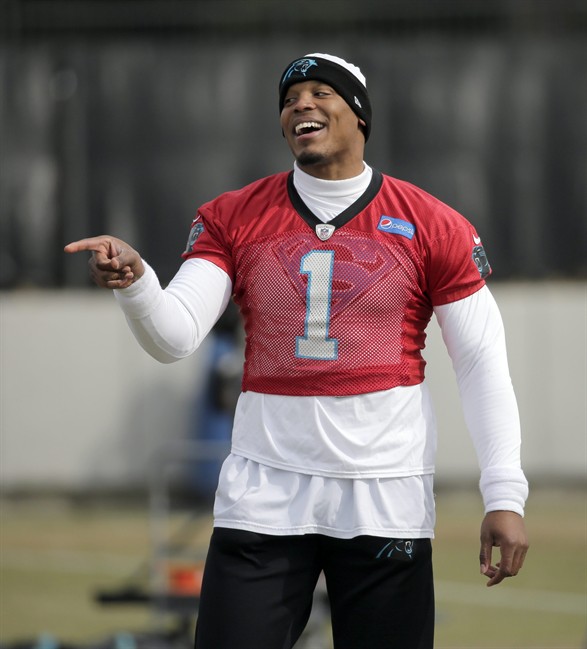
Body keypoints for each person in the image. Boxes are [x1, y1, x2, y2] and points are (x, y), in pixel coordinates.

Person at [65, 53, 529, 649]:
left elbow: (482, 364)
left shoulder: (431, 223)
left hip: (382, 491)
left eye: (319, 92)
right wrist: (137, 283)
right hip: (265, 491)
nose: (301, 105)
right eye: (289, 99)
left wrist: (505, 496)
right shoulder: (233, 216)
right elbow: (174, 336)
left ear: (359, 115)